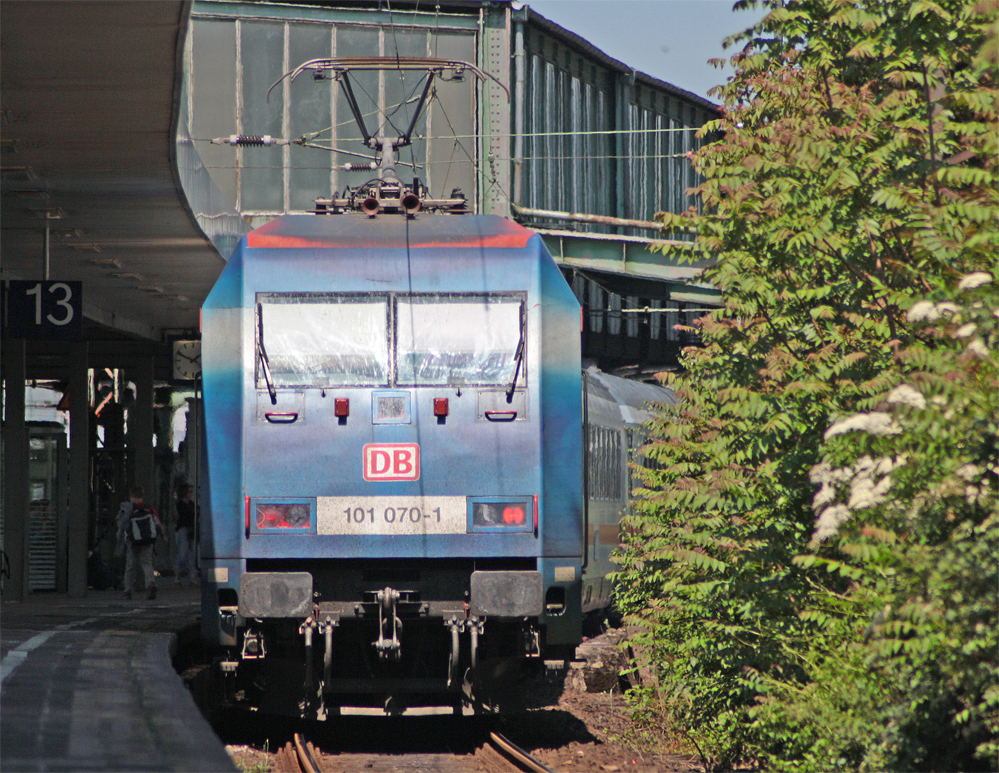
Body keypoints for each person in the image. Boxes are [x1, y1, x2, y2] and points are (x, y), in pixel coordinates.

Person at [116, 485, 164, 600]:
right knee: (147, 563)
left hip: (132, 541)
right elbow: (157, 522)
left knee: (130, 565)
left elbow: (120, 524)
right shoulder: (149, 508)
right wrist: (163, 535)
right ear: (142, 496)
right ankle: (151, 584)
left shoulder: (128, 508)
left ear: (131, 497)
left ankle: (127, 590)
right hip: (147, 540)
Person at [174, 485, 199, 586]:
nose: (191, 494)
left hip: (191, 529)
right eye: (189, 492)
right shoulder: (179, 504)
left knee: (193, 553)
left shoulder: (192, 504)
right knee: (183, 553)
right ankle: (178, 572)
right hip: (183, 528)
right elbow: (184, 515)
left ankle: (192, 576)